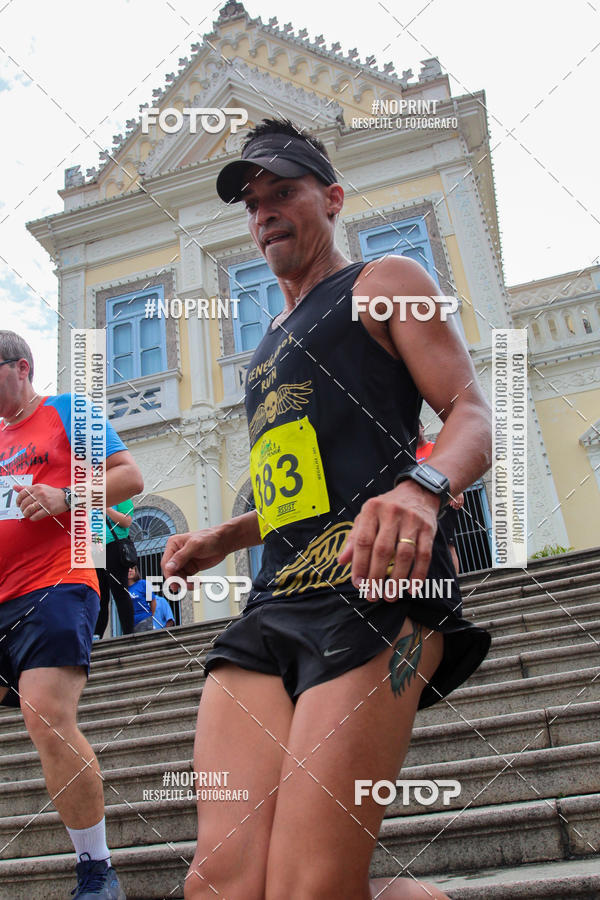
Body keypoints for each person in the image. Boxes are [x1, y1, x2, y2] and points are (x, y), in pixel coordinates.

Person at [162, 119, 492, 900]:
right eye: (253, 202)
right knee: (220, 884)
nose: (266, 212)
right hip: (273, 606)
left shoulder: (387, 281)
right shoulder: (266, 345)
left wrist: (424, 486)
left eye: (284, 193)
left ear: (332, 198)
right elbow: (306, 486)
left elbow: (472, 413)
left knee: (311, 887)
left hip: (380, 597)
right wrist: (225, 534)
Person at [0, 331, 143, 900]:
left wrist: (67, 497)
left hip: (57, 582)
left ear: (21, 367)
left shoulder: (66, 411)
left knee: (44, 711)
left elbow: (129, 476)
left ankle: (96, 868)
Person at [417, 420, 464, 573]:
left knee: (448, 544)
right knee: (426, 545)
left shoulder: (436, 447)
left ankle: (455, 581)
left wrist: (458, 491)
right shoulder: (410, 454)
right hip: (423, 507)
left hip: (443, 502)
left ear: (422, 428)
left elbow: (453, 470)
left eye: (416, 427)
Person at [94, 500, 136, 638]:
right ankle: (97, 635)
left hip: (114, 547)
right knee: (100, 597)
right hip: (96, 550)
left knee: (120, 592)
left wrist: (106, 508)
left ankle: (129, 633)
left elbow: (126, 522)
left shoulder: (122, 497)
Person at [126, 565, 157, 633]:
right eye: (127, 569)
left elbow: (153, 601)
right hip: (129, 623)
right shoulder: (122, 589)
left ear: (136, 571)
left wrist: (151, 616)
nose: (130, 570)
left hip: (144, 620)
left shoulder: (143, 583)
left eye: (132, 568)